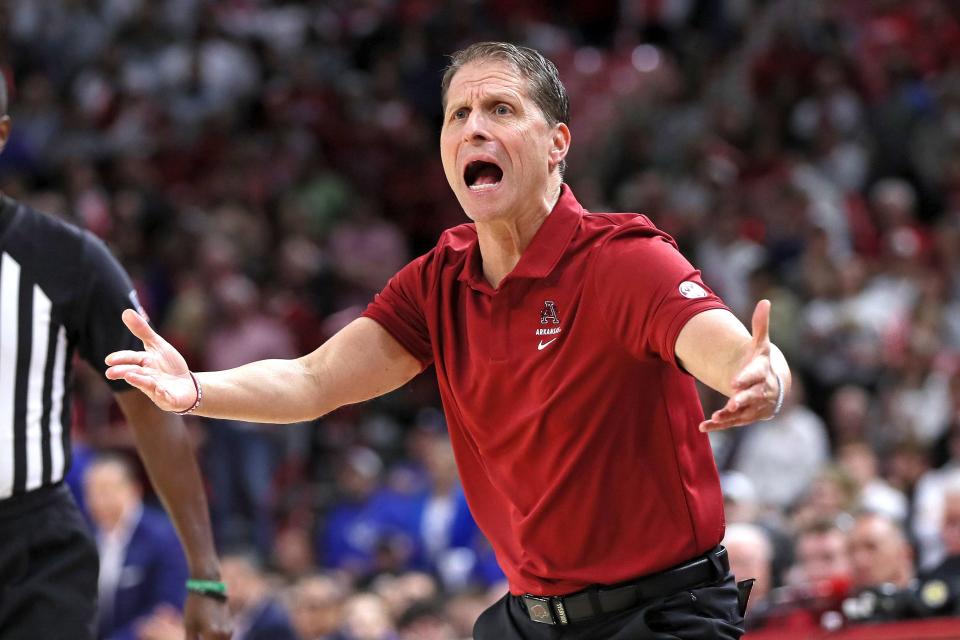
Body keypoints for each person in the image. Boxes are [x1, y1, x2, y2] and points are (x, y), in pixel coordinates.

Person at [106, 42, 792, 639]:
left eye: (499, 110)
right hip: (530, 619)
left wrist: (759, 377)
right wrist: (195, 390)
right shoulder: (438, 282)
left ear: (557, 143)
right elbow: (314, 381)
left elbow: (733, 349)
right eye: (457, 116)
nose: (473, 130)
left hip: (662, 616)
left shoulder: (622, 259)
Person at [0, 75, 230, 640]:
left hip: (30, 551)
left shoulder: (66, 259)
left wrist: (204, 574)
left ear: (2, 134)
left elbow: (152, 410)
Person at [83, 454, 189, 640]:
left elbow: (164, 611)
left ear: (133, 489)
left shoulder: (162, 537)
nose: (99, 501)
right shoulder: (86, 536)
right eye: (92, 493)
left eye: (107, 491)